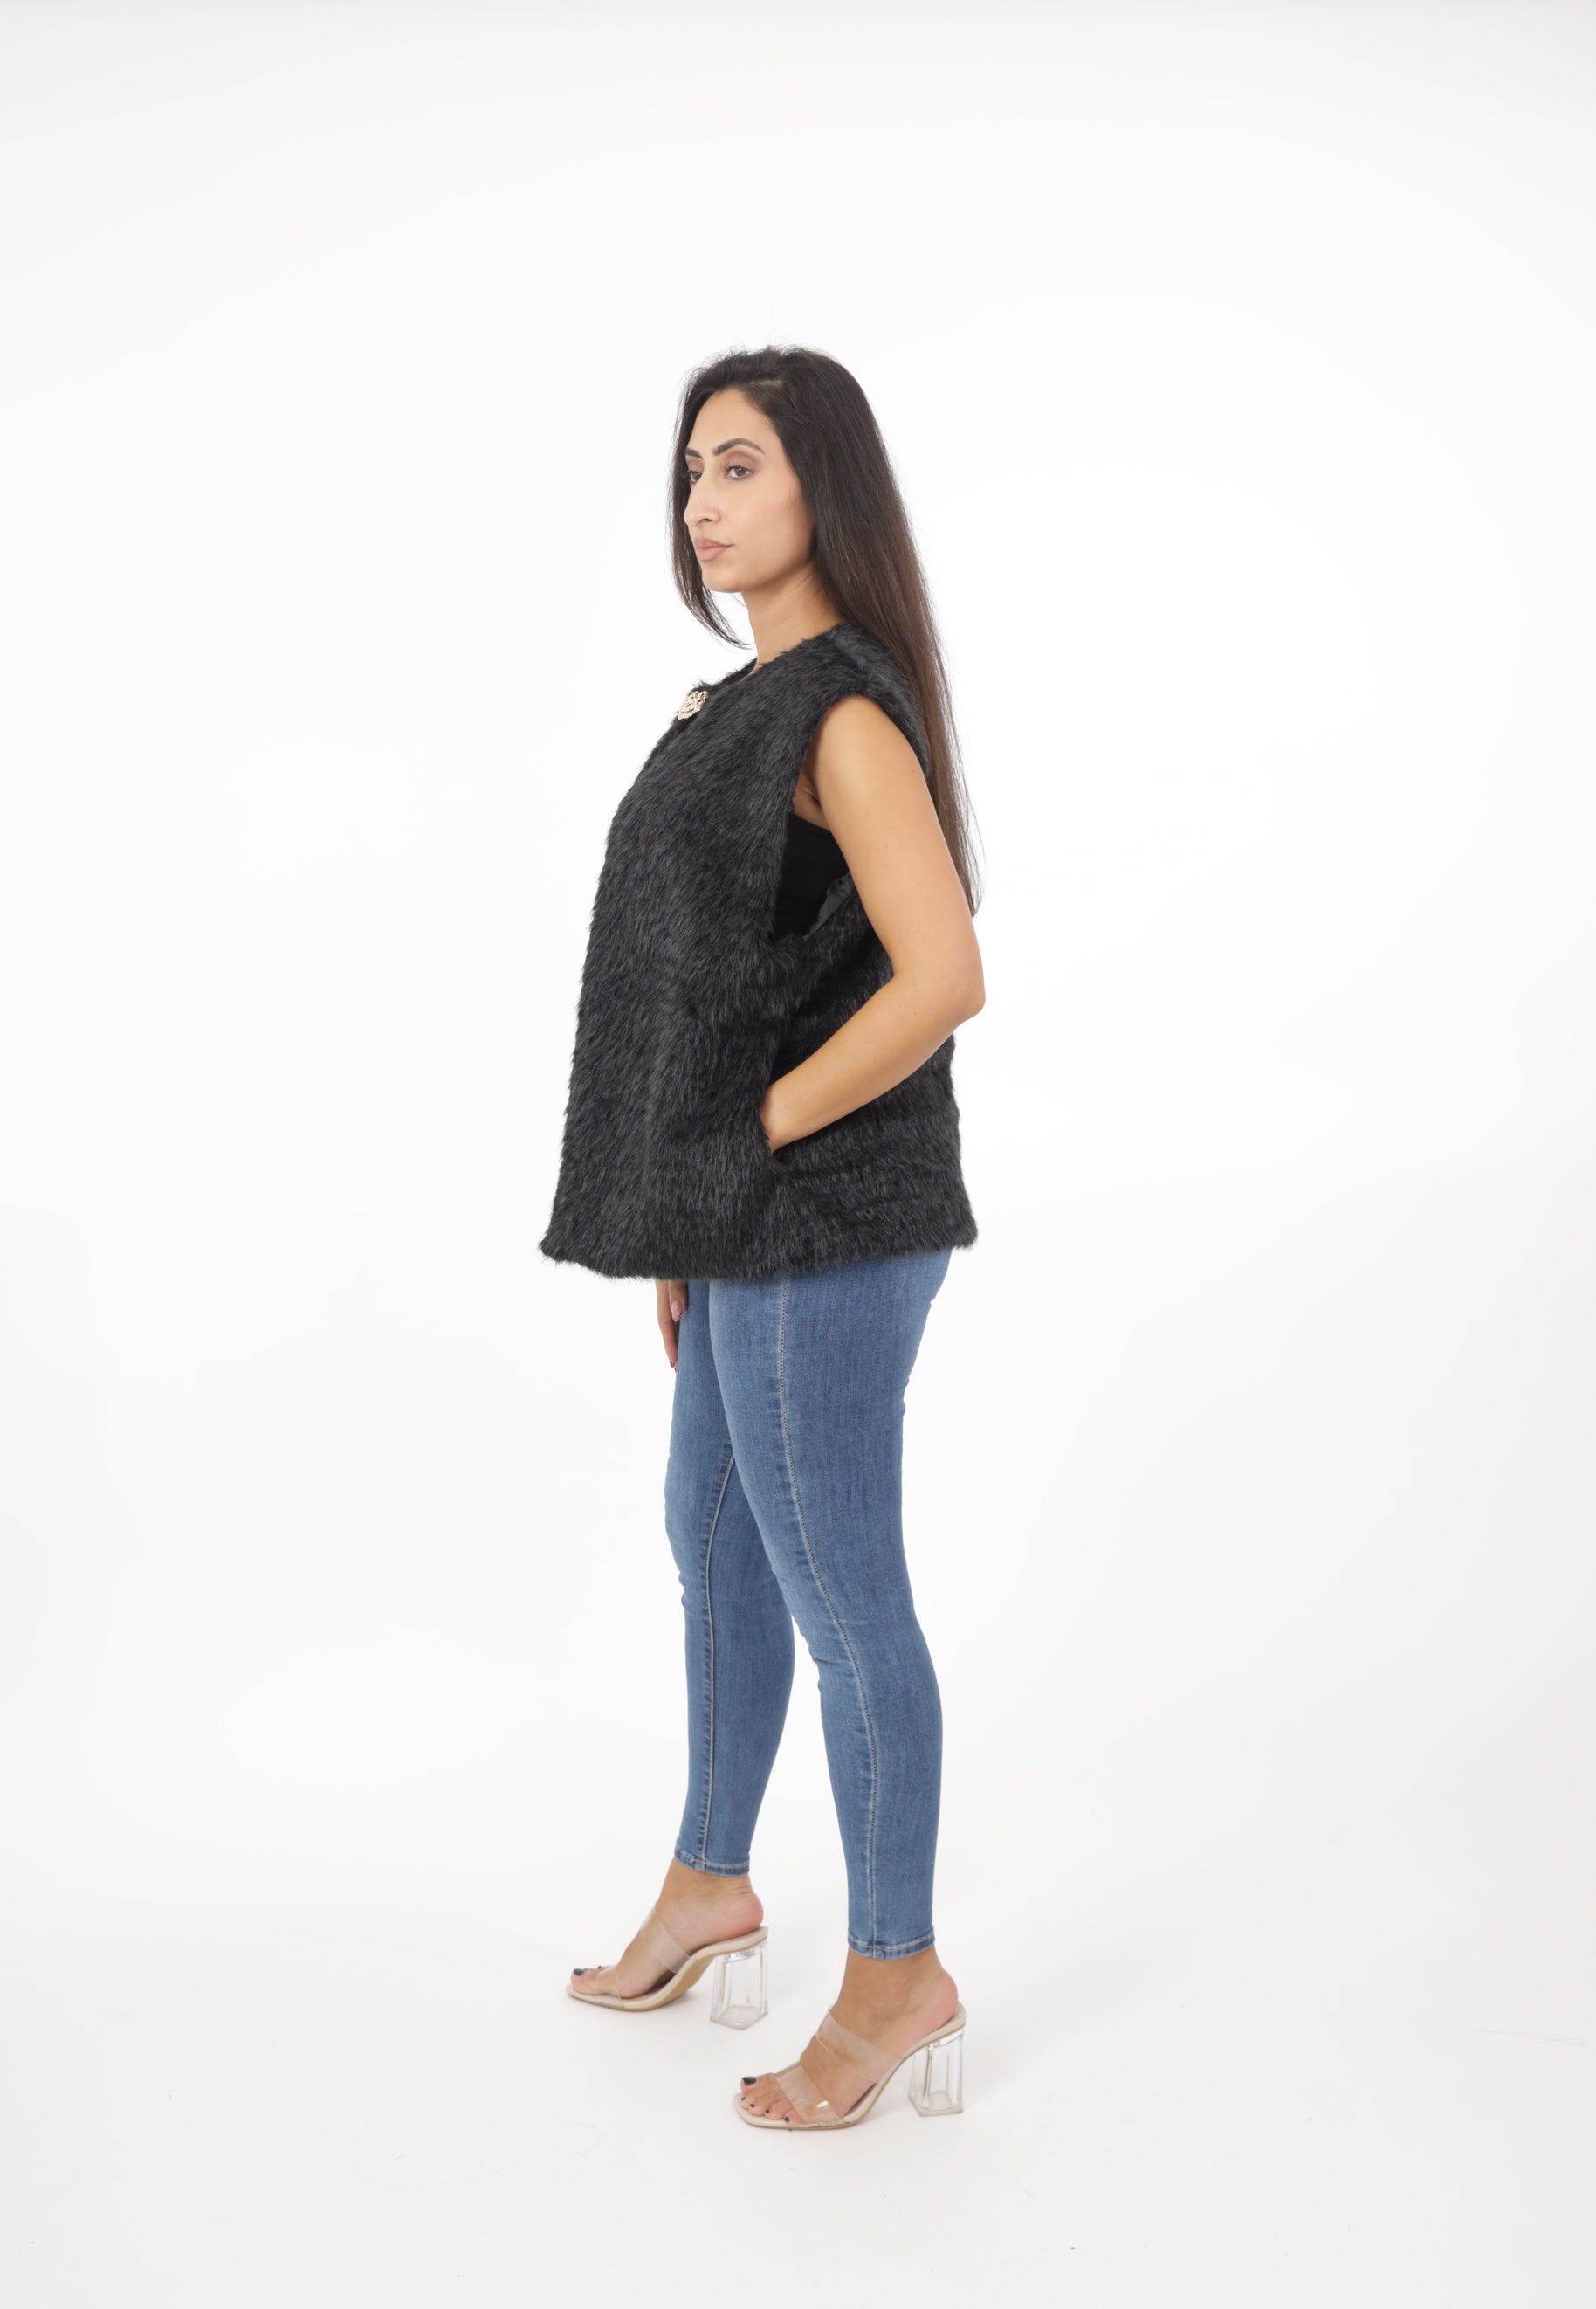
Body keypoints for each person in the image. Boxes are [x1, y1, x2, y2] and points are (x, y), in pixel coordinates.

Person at [540, 345, 985, 2130]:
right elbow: (720, 988)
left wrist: (751, 1137)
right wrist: (682, 1209)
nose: (701, 503)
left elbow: (943, 978)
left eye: (738, 466)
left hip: (834, 1220)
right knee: (713, 1536)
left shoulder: (843, 716)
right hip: (741, 1220)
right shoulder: (738, 704)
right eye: (690, 473)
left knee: (841, 1589)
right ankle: (712, 1880)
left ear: (824, 489)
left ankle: (897, 1977)